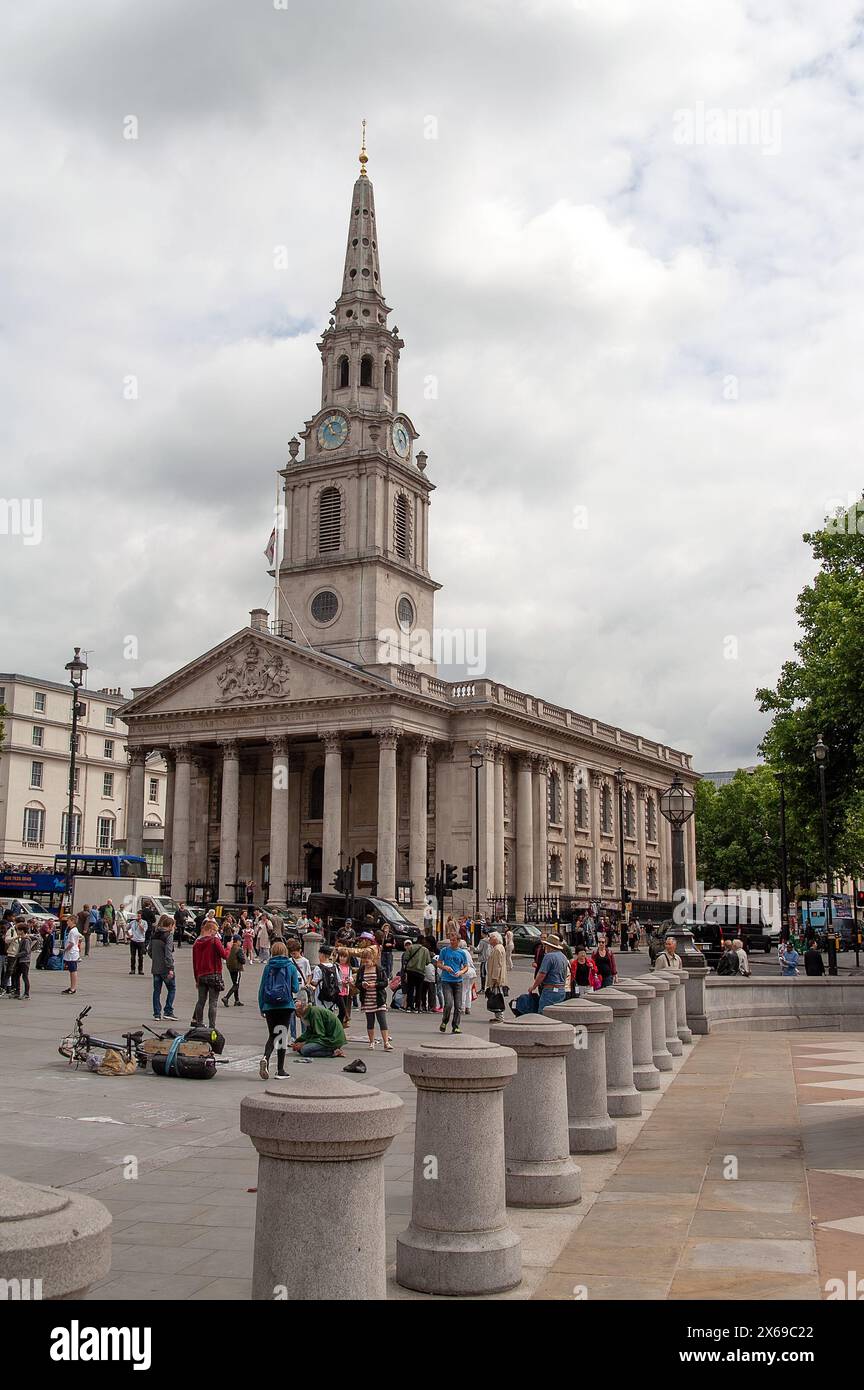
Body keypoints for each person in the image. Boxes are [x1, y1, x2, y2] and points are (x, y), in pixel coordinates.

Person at [258, 942, 302, 1079]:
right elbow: (295, 988)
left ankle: (266, 1057)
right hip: (285, 1005)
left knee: (272, 1035)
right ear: (285, 952)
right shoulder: (291, 967)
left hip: (270, 1006)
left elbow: (261, 989)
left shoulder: (268, 967)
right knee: (281, 1036)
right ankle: (280, 1070)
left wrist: (262, 1007)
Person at [191, 917, 230, 1028]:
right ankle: (212, 1026)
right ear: (211, 930)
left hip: (201, 975)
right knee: (213, 1002)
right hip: (214, 974)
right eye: (215, 931)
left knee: (201, 1001)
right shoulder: (214, 941)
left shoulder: (197, 943)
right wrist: (228, 947)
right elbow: (224, 955)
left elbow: (195, 963)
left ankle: (199, 1023)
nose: (216, 934)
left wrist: (196, 979)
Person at [355, 947, 393, 1050]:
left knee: (382, 1021)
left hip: (379, 998)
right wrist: (362, 984)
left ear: (373, 959)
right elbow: (357, 983)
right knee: (370, 1021)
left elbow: (385, 982)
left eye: (368, 958)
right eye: (364, 959)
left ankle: (386, 1043)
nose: (366, 961)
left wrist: (374, 985)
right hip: (367, 999)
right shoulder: (361, 970)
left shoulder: (379, 969)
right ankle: (371, 1042)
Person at [437, 929, 470, 1033]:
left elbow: (466, 967)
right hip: (446, 980)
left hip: (458, 981)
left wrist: (461, 972)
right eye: (450, 940)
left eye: (454, 940)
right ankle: (444, 1021)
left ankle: (455, 1025)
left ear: (458, 941)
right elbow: (438, 963)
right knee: (448, 1003)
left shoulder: (462, 953)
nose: (451, 942)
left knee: (458, 1005)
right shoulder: (444, 951)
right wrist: (445, 967)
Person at [149, 914, 177, 1020]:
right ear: (170, 926)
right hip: (165, 968)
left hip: (156, 967)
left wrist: (155, 959)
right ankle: (168, 1011)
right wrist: (170, 968)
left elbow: (149, 950)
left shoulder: (155, 934)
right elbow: (168, 953)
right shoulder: (168, 935)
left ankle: (157, 1013)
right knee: (172, 988)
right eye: (173, 926)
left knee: (157, 991)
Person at [532, 936, 569, 1012]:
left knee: (544, 1013)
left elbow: (542, 974)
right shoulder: (563, 957)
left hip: (550, 989)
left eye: (546, 945)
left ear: (549, 946)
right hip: (561, 990)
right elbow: (565, 974)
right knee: (557, 1014)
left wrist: (533, 987)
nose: (545, 947)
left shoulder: (549, 956)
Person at [402, 936, 431, 1013]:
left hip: (410, 970)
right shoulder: (426, 950)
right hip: (420, 971)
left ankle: (409, 1006)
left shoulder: (411, 947)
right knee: (419, 989)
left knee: (410, 988)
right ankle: (418, 1006)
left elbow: (406, 957)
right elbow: (428, 962)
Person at [485, 930, 508, 1020]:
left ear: (495, 939)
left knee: (497, 996)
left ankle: (500, 1016)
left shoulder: (497, 949)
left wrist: (495, 977)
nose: (489, 940)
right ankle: (498, 1015)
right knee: (496, 995)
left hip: (496, 977)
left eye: (490, 938)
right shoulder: (498, 947)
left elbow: (497, 965)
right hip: (497, 976)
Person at [11, 921, 35, 999]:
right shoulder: (23, 939)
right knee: (16, 976)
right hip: (20, 960)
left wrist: (17, 954)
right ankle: (17, 992)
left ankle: (26, 994)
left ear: (22, 931)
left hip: (24, 961)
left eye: (18, 930)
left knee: (25, 977)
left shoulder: (26, 940)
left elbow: (26, 951)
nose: (17, 931)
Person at [223, 934, 246, 1006]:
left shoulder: (231, 947)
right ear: (238, 941)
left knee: (235, 984)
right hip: (236, 968)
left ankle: (237, 1000)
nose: (241, 942)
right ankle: (226, 997)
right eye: (240, 941)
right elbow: (243, 960)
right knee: (236, 985)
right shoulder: (239, 949)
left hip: (230, 968)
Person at [62, 916, 82, 994]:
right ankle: (72, 986)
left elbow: (71, 943)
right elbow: (80, 938)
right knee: (71, 970)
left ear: (73, 921)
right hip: (73, 952)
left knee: (73, 970)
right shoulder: (74, 930)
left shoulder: (72, 931)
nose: (67, 922)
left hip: (72, 953)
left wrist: (65, 950)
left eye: (68, 921)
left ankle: (73, 988)